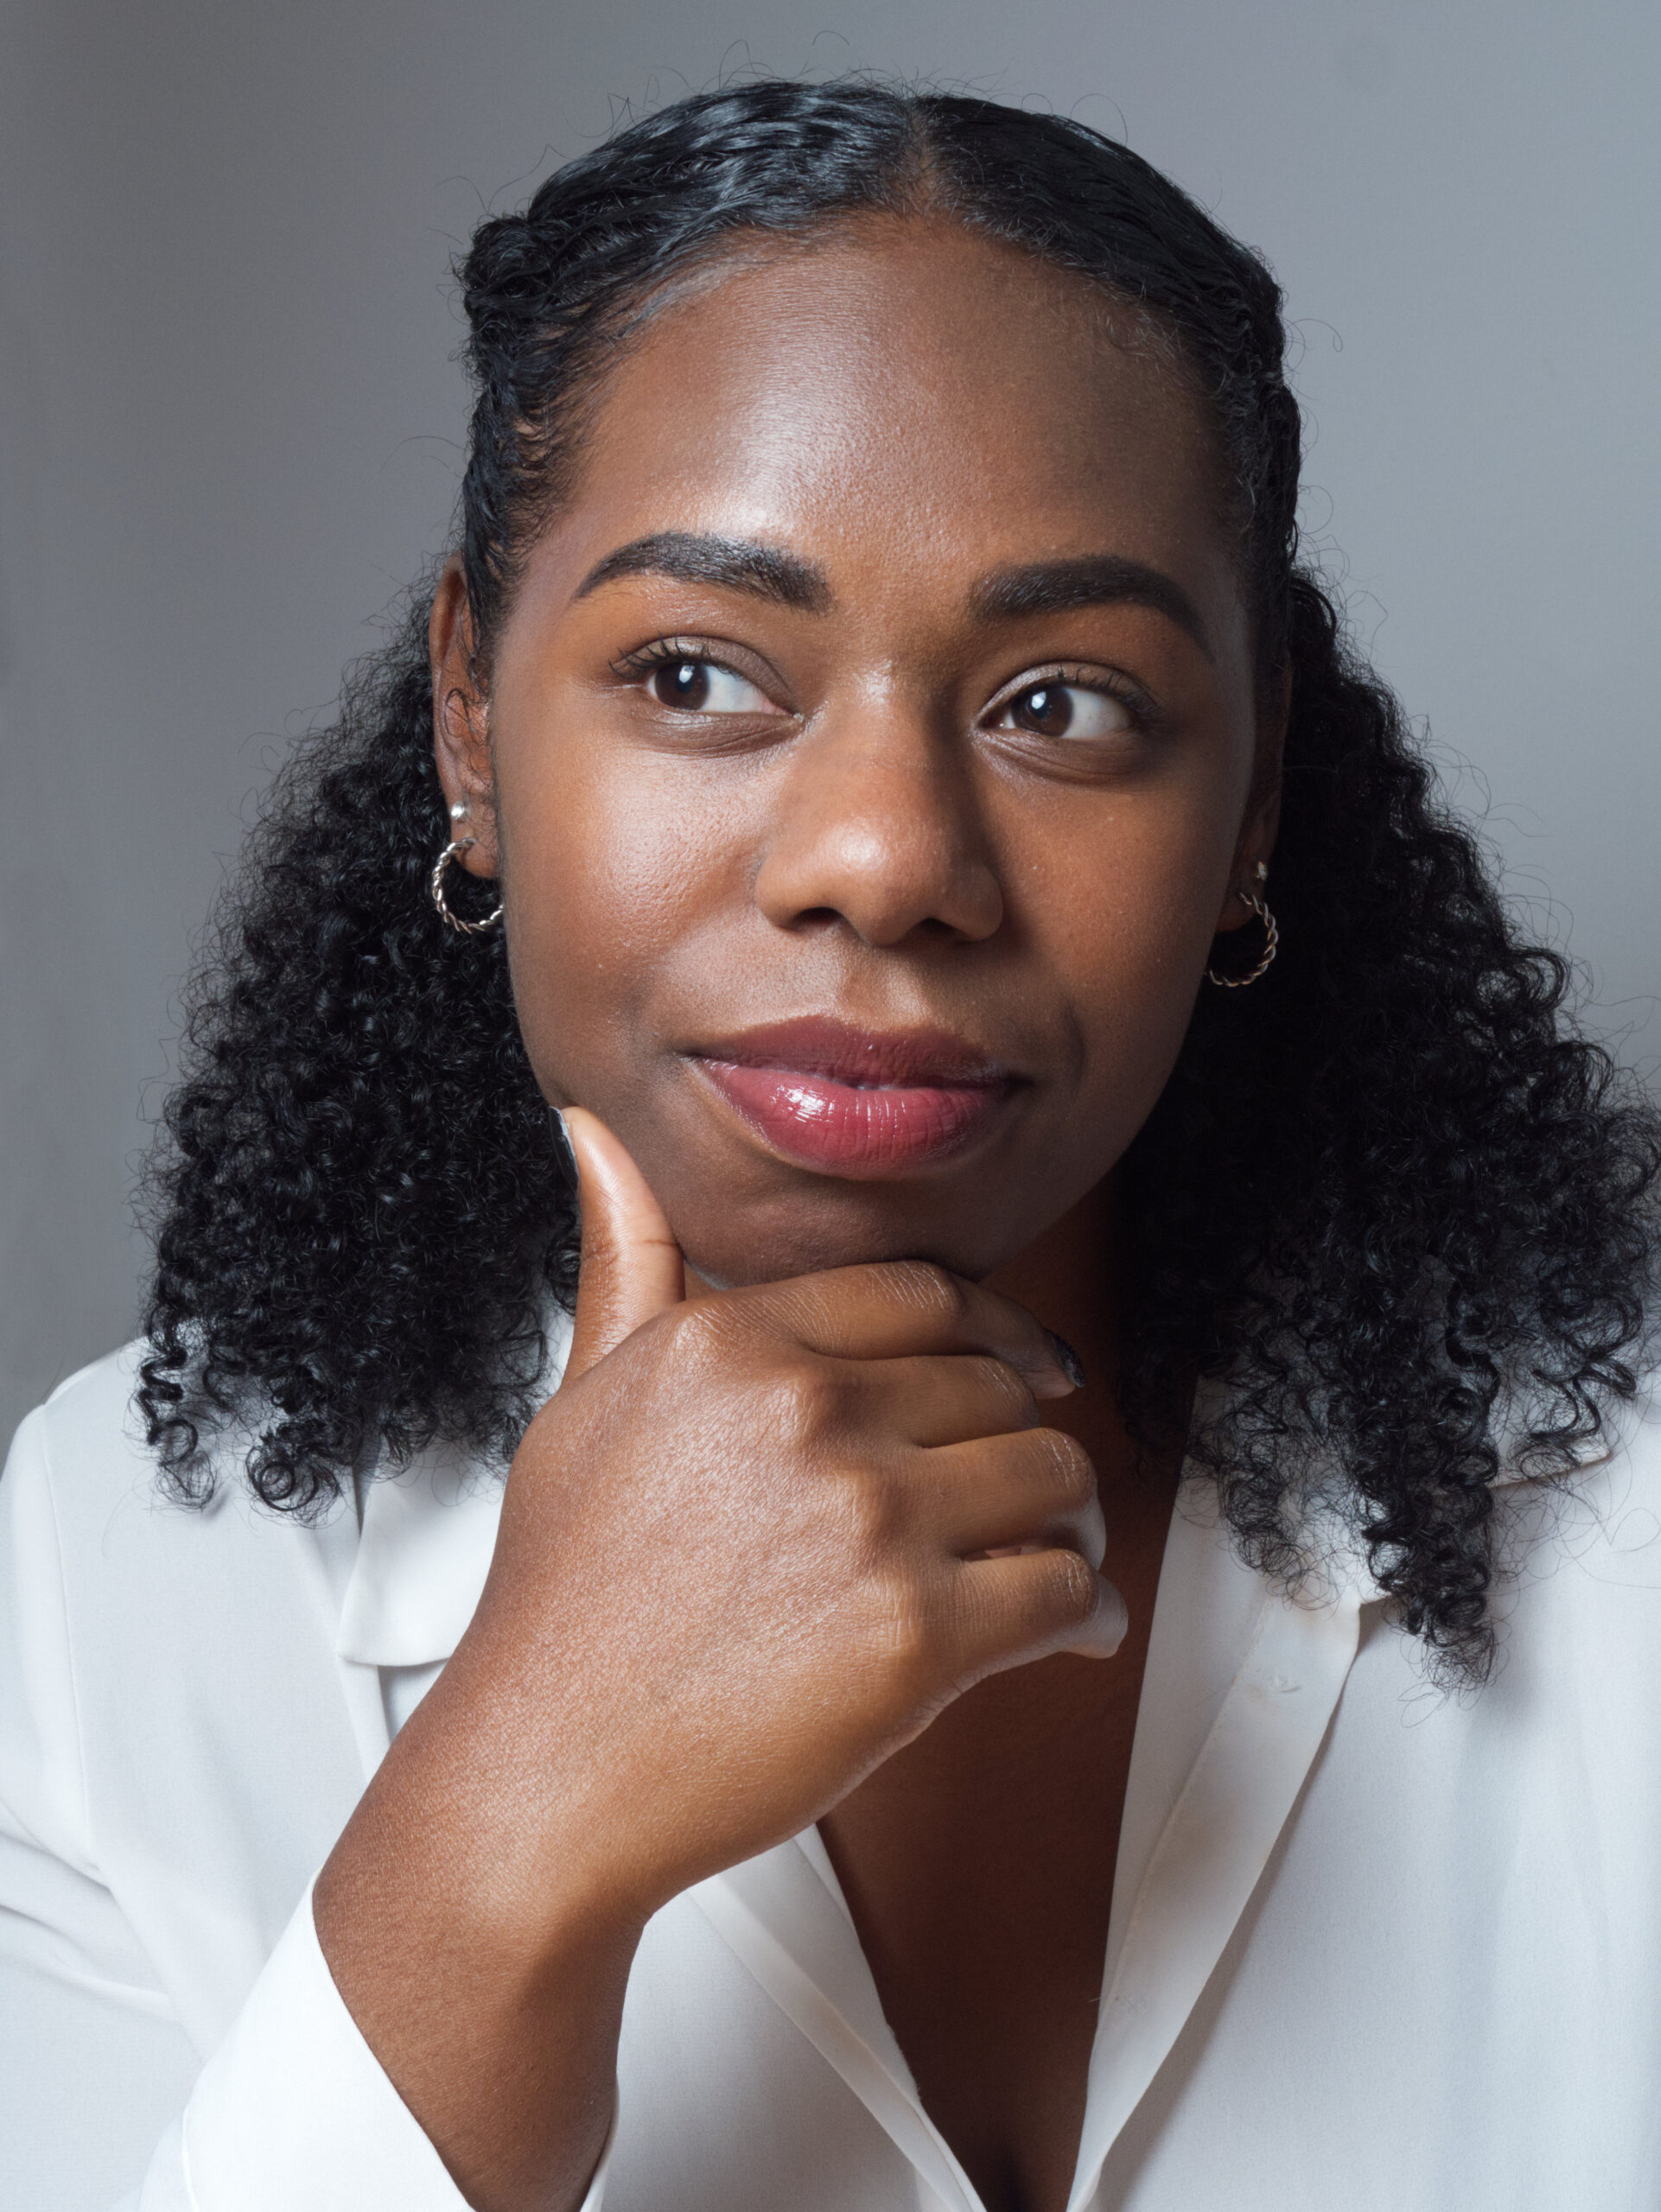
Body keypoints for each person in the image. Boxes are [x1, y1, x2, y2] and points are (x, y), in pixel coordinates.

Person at [3, 76, 1658, 2212]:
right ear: (469, 718)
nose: (884, 862)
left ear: (1250, 809)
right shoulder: (105, 1590)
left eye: (1061, 700)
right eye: (697, 672)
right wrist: (505, 1823)